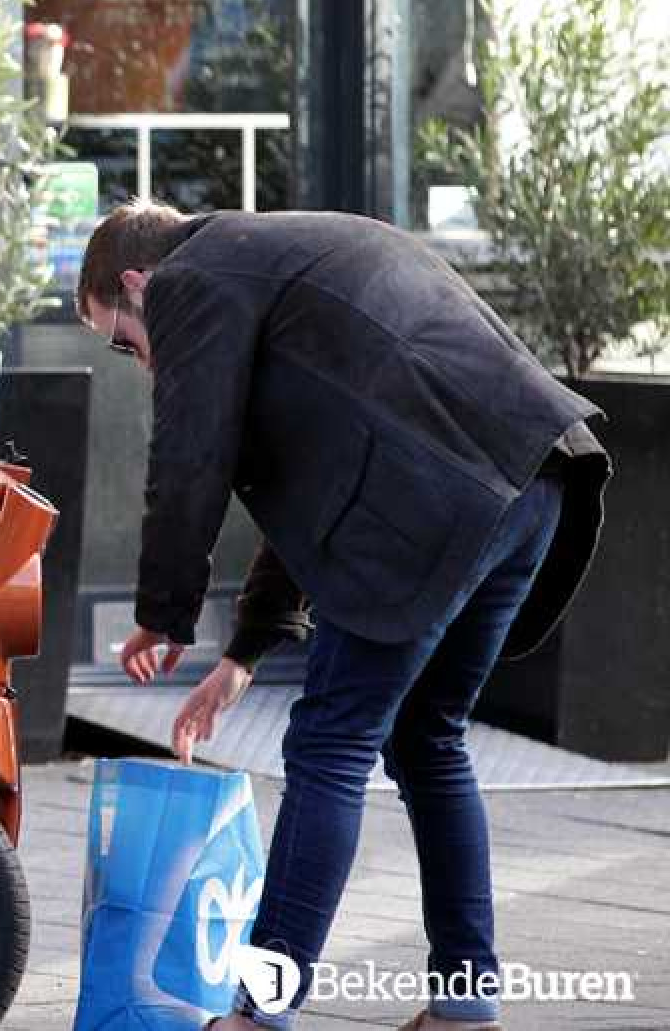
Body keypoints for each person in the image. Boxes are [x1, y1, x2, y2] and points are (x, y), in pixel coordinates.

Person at [75, 201, 608, 1031]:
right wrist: (244, 653)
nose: (140, 363)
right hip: (536, 478)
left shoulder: (190, 282)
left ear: (138, 284)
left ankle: (260, 1012)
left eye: (122, 340)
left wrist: (165, 613)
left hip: (441, 498)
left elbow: (190, 457)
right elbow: (317, 480)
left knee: (329, 744)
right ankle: (466, 1006)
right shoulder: (272, 258)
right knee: (429, 739)